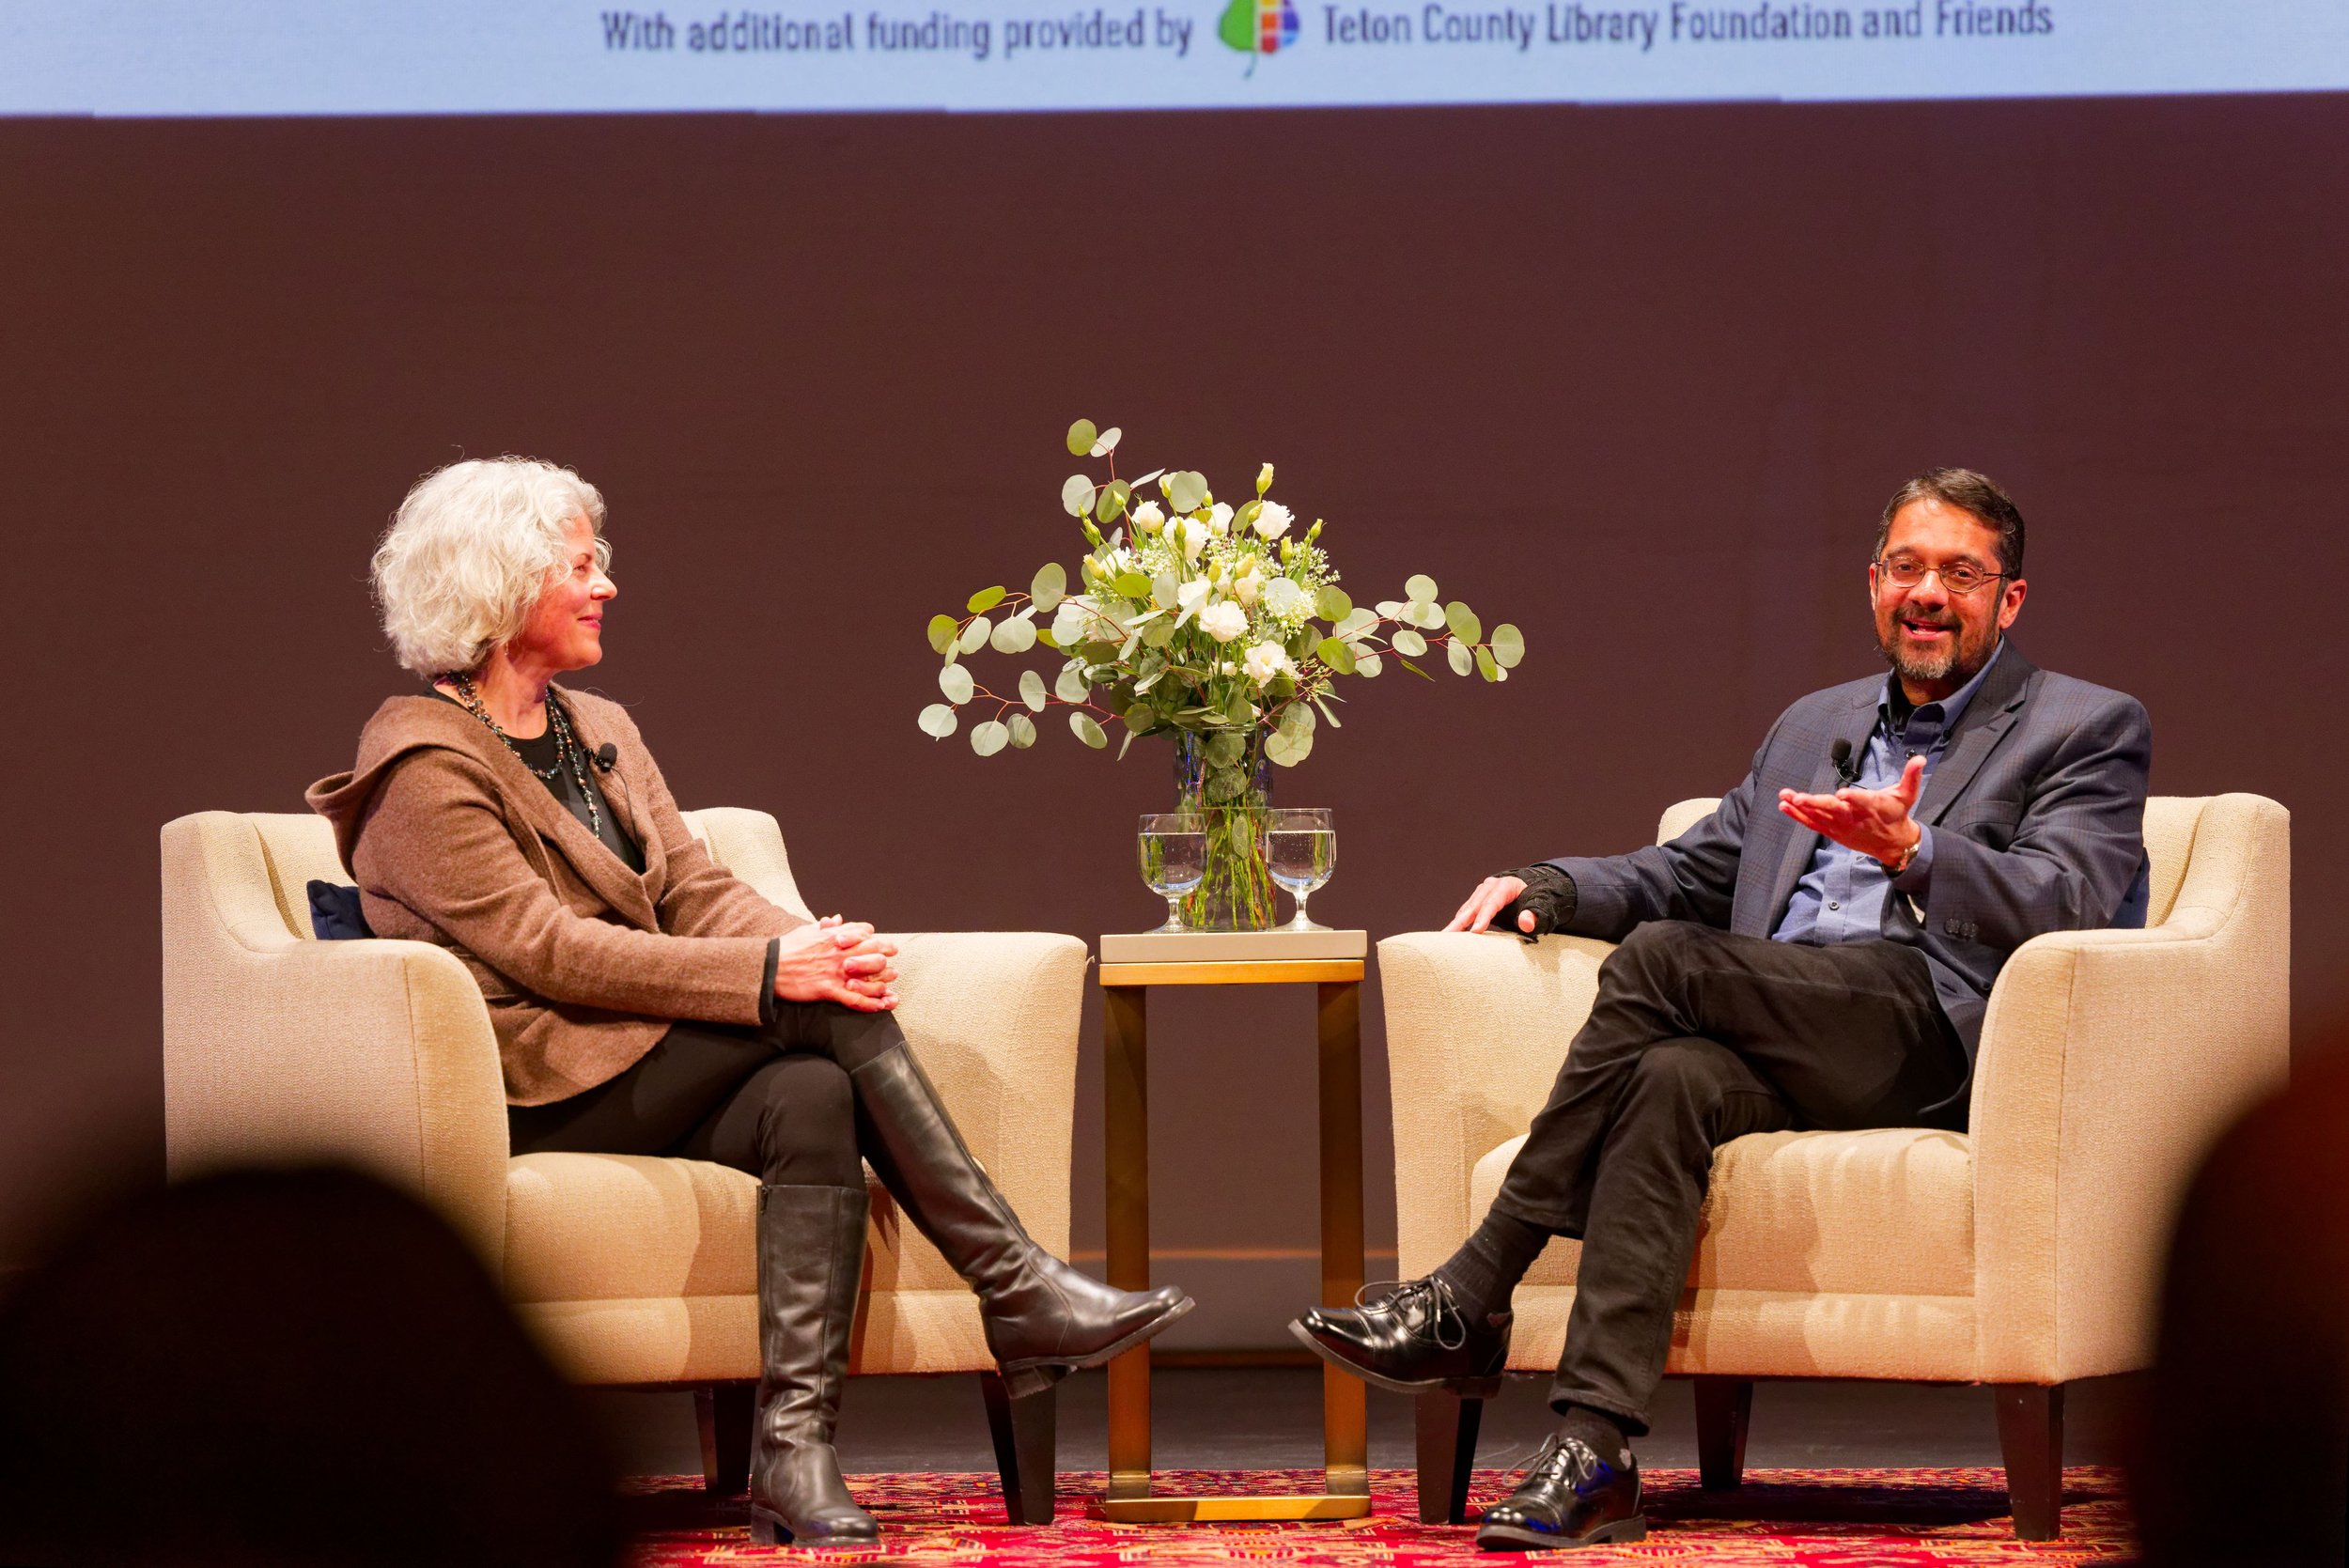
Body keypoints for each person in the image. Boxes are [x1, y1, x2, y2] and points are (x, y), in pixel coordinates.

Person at [308, 458, 1193, 1545]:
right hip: (529, 1077)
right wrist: (778, 978)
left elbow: (692, 887)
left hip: (628, 1053)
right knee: (817, 1017)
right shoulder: (421, 764)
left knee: (811, 1094)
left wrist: (807, 941)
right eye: (580, 566)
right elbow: (549, 951)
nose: (605, 585)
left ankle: (794, 1450)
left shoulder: (596, 726)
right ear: (500, 582)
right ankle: (1018, 1289)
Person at [1292, 468, 2152, 1550]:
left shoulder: (2083, 725)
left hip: (1932, 1030)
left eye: (1960, 573)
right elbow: (1693, 872)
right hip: (1789, 1023)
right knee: (1666, 1077)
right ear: (1873, 584)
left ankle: (1472, 1287)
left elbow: (2067, 899)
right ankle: (1594, 1450)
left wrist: (1918, 851)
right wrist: (1552, 887)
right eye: (1906, 568)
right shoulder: (1814, 723)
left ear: (2008, 598)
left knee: (1663, 962)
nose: (1928, 593)